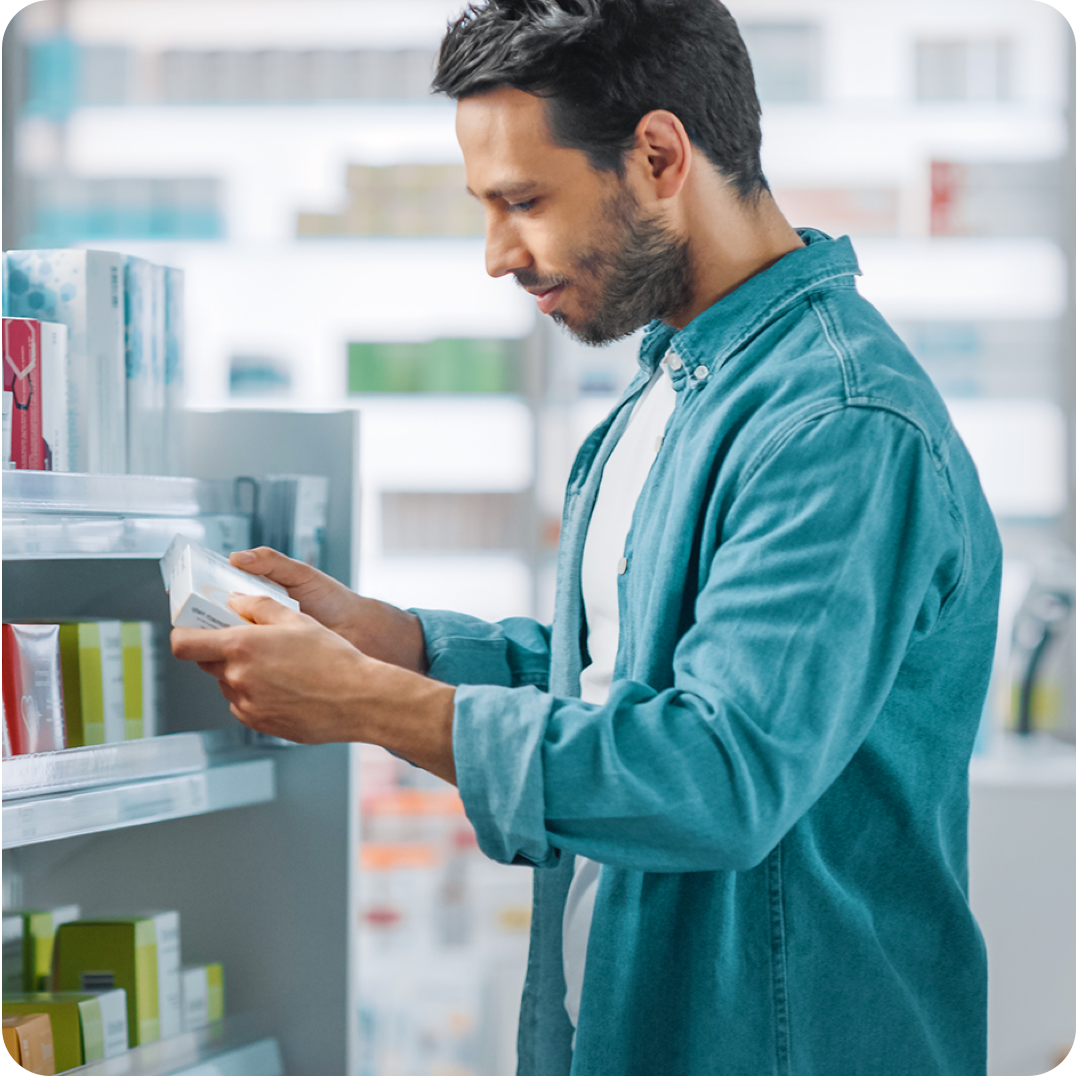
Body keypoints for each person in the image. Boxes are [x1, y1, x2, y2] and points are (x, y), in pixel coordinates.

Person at [171, 1, 1003, 1072]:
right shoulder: (675, 383)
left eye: (522, 201)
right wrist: (399, 645)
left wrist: (371, 707)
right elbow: (626, 683)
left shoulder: (836, 425)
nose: (495, 254)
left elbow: (715, 773)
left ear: (658, 155)